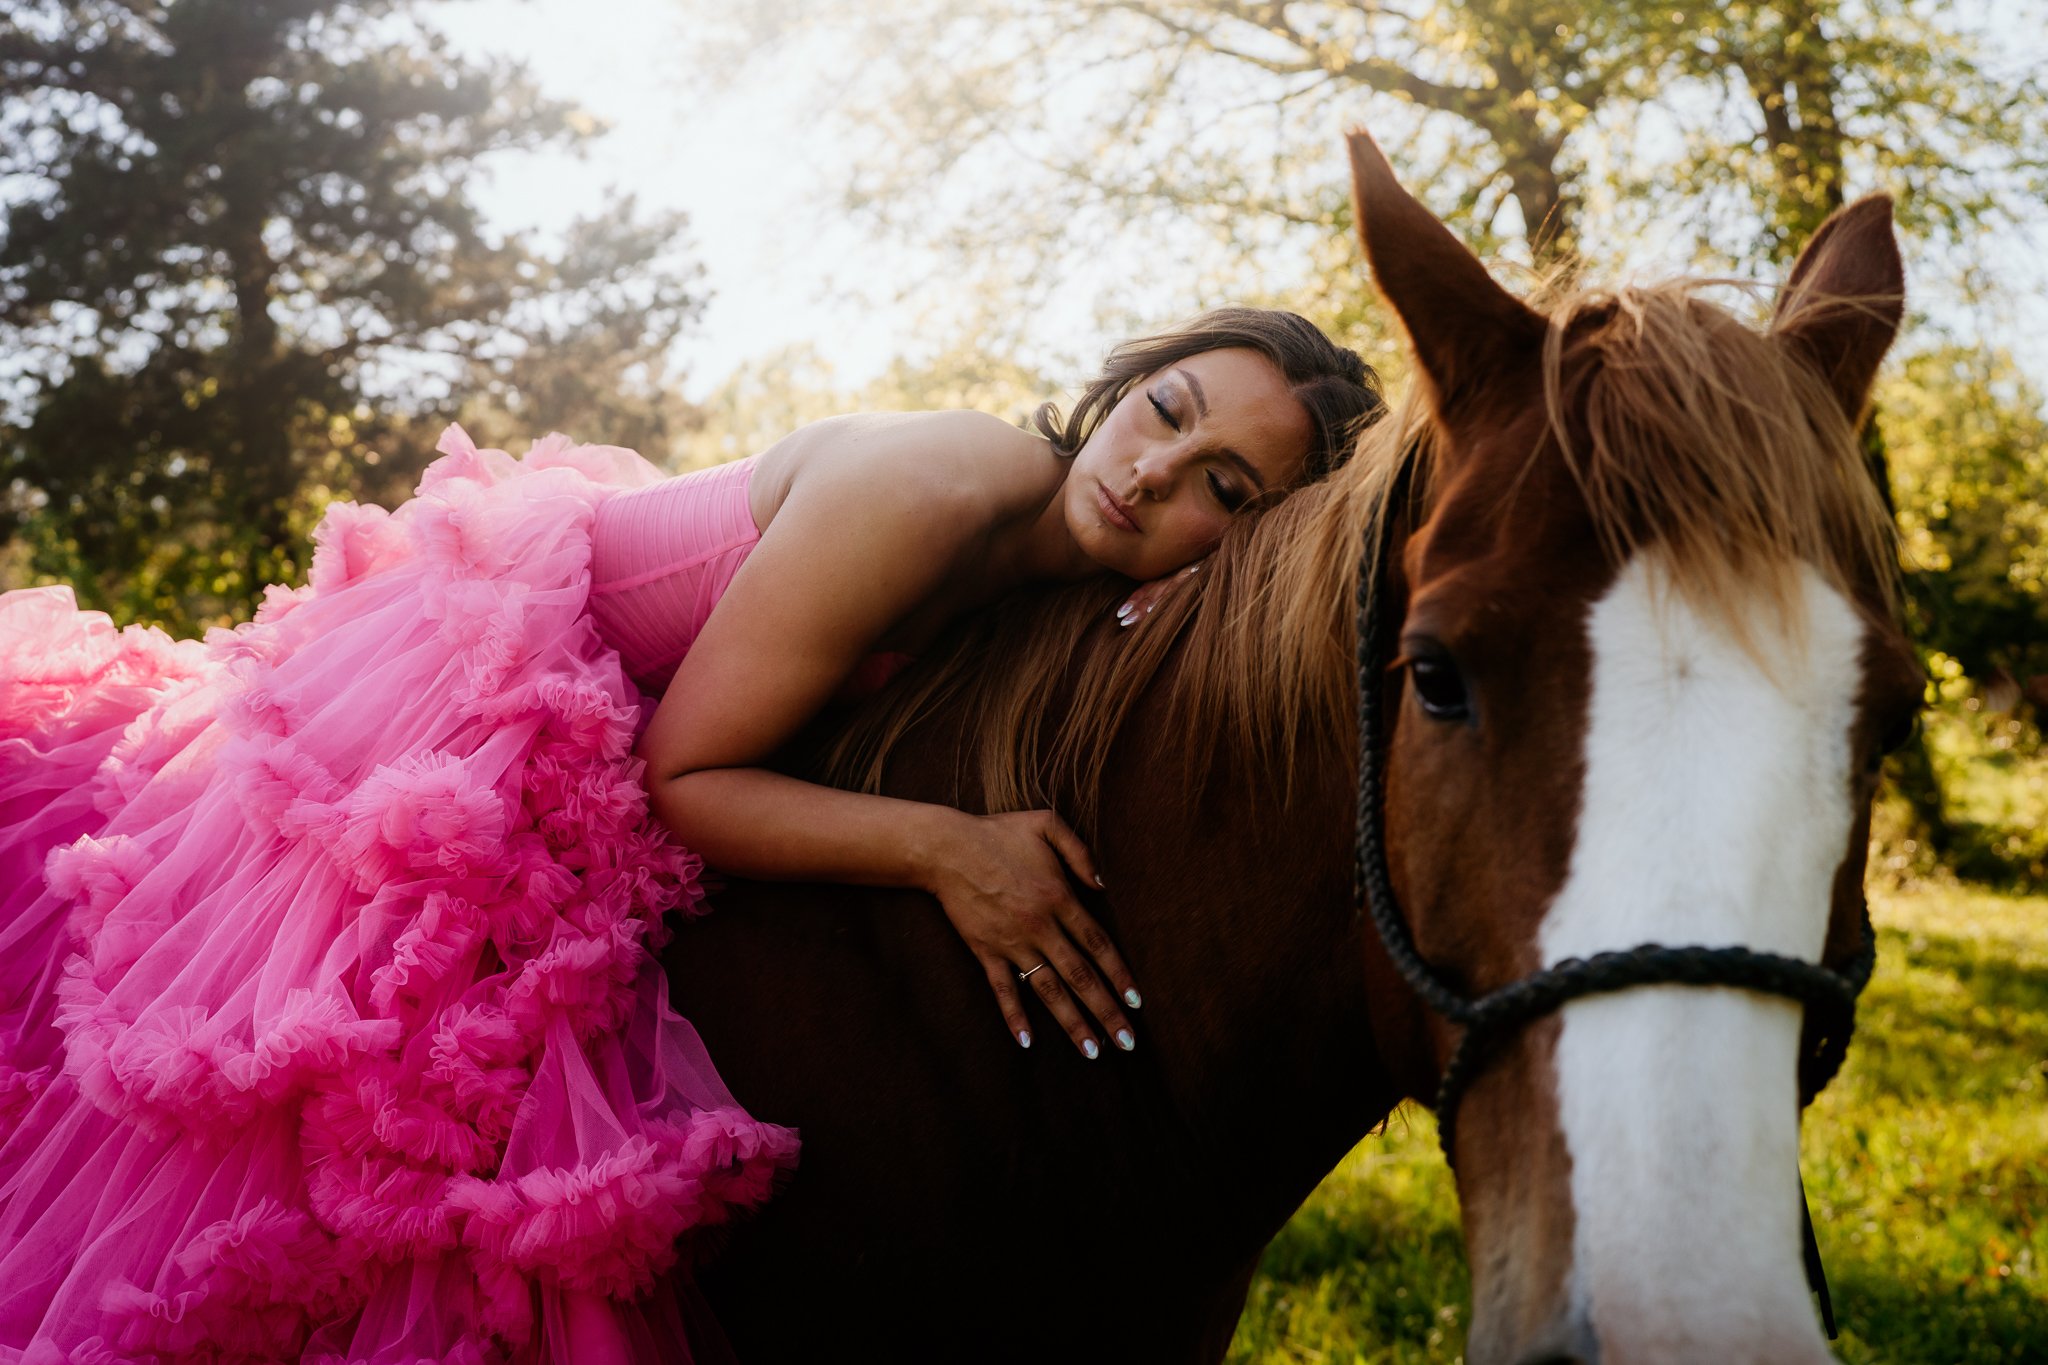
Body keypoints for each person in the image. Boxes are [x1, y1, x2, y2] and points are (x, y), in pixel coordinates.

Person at [0, 307, 1382, 1362]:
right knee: (328, 1091)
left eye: (1222, 486)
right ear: (1127, 379)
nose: (1151, 472)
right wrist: (947, 849)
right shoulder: (949, 482)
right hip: (496, 703)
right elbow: (683, 779)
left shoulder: (1077, 597)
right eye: (1165, 408)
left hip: (630, 739)